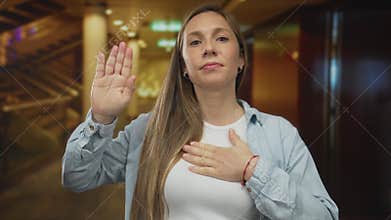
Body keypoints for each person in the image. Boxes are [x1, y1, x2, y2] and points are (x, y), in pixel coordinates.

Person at [61, 4, 338, 220]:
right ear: (183, 66)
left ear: (241, 59)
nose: (208, 48)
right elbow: (77, 177)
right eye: (195, 42)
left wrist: (252, 170)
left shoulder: (280, 134)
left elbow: (324, 215)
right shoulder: (148, 130)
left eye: (221, 38)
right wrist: (101, 117)